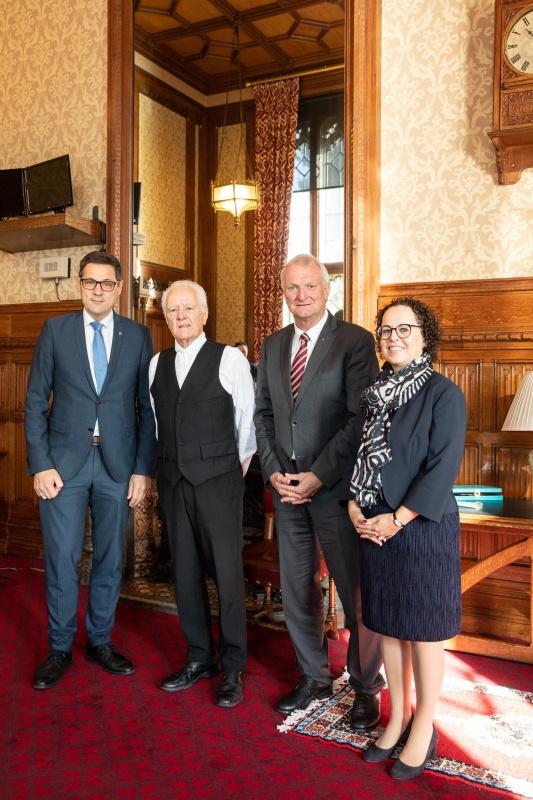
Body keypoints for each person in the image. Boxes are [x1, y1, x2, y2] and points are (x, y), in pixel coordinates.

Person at [254, 253, 384, 729]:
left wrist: (318, 476)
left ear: (327, 290)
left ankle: (366, 687)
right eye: (292, 288)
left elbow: (358, 421)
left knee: (355, 592)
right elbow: (263, 416)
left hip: (335, 492)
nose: (301, 295)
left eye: (310, 286)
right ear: (284, 293)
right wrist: (273, 473)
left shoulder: (354, 342)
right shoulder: (272, 346)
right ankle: (313, 675)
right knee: (297, 590)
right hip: (287, 492)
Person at [344, 297, 467, 780]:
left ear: (424, 336)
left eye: (404, 328)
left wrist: (397, 518)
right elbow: (359, 456)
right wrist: (355, 506)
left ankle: (424, 728)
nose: (393, 337)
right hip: (373, 526)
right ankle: (396, 718)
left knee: (423, 632)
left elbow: (441, 469)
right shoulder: (374, 391)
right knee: (388, 625)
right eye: (386, 330)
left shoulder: (443, 393)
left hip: (420, 528)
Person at [25, 250, 157, 689]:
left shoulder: (138, 336)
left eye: (106, 283)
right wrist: (40, 465)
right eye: (90, 282)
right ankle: (59, 647)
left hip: (117, 465)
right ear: (79, 285)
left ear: (119, 288)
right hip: (63, 466)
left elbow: (147, 408)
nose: (98, 290)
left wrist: (141, 470)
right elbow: (33, 402)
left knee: (109, 558)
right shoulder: (55, 330)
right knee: (62, 558)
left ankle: (99, 640)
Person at [150, 280, 255, 708]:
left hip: (219, 482)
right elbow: (158, 426)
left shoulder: (229, 359)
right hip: (173, 483)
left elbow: (247, 425)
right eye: (173, 310)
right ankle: (199, 657)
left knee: (228, 577)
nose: (180, 317)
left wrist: (229, 471)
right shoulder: (156, 363)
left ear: (204, 314)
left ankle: (233, 667)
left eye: (188, 309)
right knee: (185, 573)